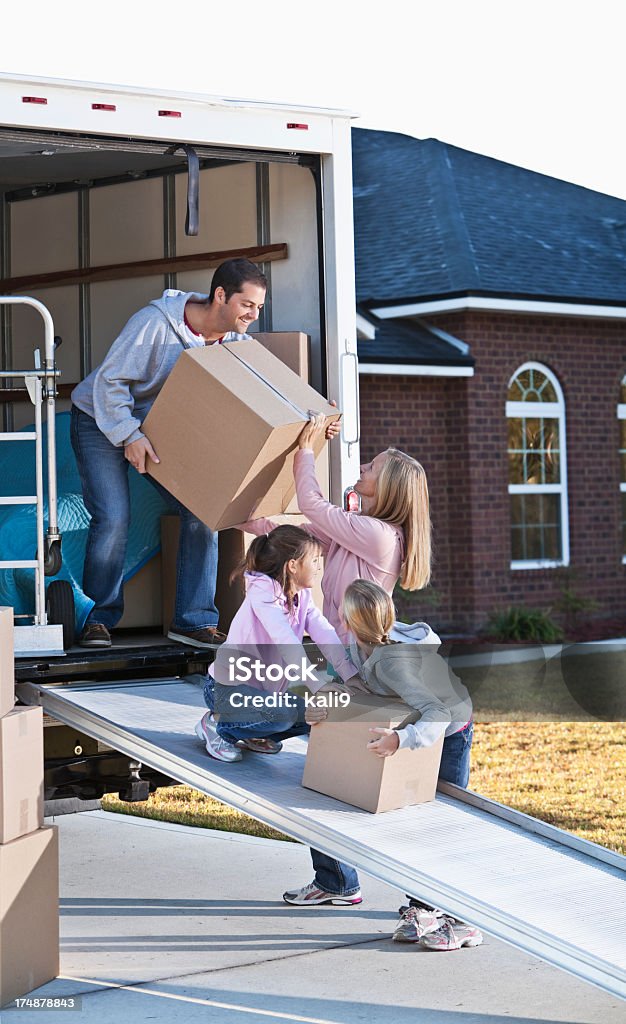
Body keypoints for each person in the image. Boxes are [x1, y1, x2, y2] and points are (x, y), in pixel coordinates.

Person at [241, 412, 431, 903]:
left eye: (372, 466)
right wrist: (238, 514)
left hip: (354, 670)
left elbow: (311, 503)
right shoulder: (355, 531)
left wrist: (305, 448)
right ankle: (335, 882)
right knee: (322, 771)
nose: (363, 466)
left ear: (386, 488)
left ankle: (353, 882)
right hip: (336, 663)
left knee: (325, 768)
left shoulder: (378, 536)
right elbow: (298, 530)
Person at [70, 257, 267, 648]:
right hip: (100, 417)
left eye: (259, 308)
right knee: (113, 517)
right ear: (221, 295)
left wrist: (313, 415)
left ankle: (193, 620)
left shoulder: (238, 344)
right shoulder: (155, 323)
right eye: (248, 305)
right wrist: (129, 435)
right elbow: (110, 382)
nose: (254, 315)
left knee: (202, 512)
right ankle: (97, 619)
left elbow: (264, 394)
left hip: (157, 428)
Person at [299, 579, 482, 951]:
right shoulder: (364, 643)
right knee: (414, 824)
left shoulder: (393, 663)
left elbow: (439, 712)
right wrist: (324, 701)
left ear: (348, 622)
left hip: (449, 729)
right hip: (419, 721)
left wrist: (402, 739)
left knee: (439, 826)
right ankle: (422, 909)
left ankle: (465, 920)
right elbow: (354, 683)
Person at [195, 525, 362, 762]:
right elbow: (286, 642)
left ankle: (250, 732)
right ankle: (217, 726)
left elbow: (324, 632)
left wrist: (350, 675)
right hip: (225, 691)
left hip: (261, 695)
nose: (318, 567)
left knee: (318, 714)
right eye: (314, 560)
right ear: (293, 565)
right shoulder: (263, 595)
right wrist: (317, 685)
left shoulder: (300, 595)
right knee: (283, 714)